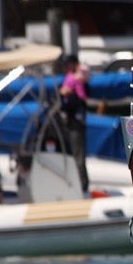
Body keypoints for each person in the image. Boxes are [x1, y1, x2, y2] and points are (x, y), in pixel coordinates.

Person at [59, 54, 90, 194]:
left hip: (75, 123)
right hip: (69, 122)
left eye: (66, 65)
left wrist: (67, 95)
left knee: (78, 156)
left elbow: (81, 99)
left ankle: (82, 186)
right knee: (73, 155)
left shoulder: (76, 78)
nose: (64, 67)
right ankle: (75, 183)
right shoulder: (71, 78)